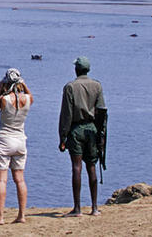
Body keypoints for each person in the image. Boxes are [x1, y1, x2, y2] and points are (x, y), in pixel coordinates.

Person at [59, 56, 106, 217]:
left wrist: (63, 137)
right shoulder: (97, 86)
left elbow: (66, 115)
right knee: (92, 166)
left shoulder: (70, 87)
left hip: (76, 129)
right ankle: (94, 208)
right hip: (92, 129)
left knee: (76, 168)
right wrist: (102, 135)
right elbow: (102, 112)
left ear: (76, 70)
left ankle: (77, 208)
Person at [0, 68, 33, 225]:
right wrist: (24, 85)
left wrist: (0, 90)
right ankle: (22, 215)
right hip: (20, 141)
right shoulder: (27, 99)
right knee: (20, 179)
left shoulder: (4, 99)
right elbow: (29, 95)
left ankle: (0, 217)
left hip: (4, 141)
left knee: (2, 181)